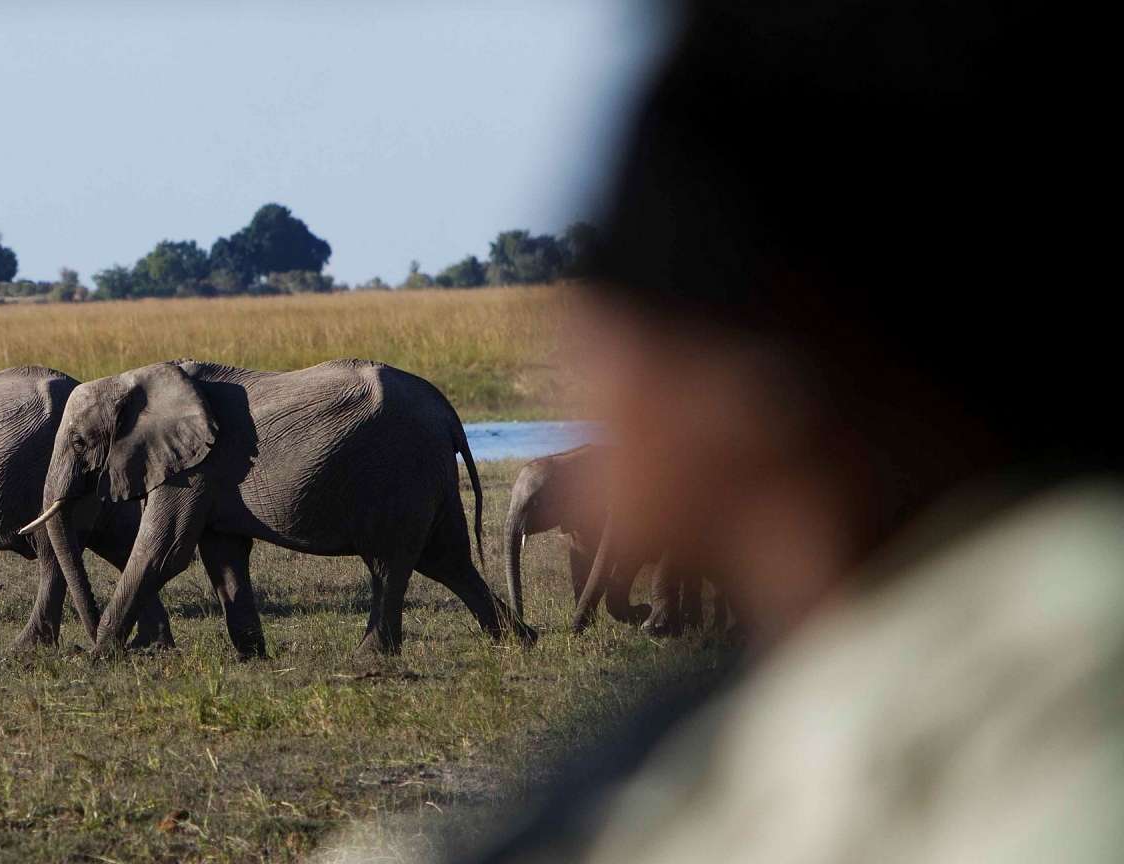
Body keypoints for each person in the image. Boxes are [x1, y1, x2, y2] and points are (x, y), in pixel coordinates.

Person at [448, 1, 1117, 861]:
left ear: (756, 370)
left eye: (608, 314)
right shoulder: (803, 674)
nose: (588, 369)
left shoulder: (1038, 706)